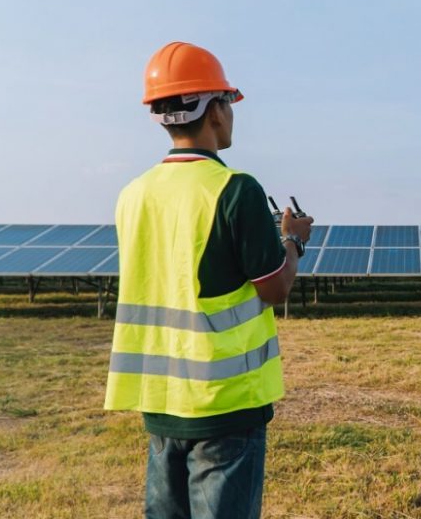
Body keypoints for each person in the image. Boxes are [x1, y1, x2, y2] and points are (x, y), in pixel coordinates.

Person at [104, 41, 313, 518]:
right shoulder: (235, 189)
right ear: (215, 112)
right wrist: (294, 241)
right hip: (225, 403)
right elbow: (274, 288)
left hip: (160, 401)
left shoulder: (132, 194)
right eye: (227, 102)